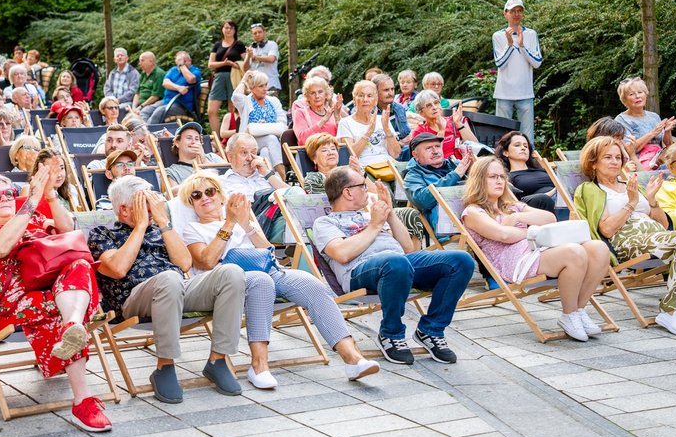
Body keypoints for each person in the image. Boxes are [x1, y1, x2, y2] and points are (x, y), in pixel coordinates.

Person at [180, 172, 379, 387]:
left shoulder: (241, 222)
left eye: (209, 191)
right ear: (191, 204)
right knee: (260, 281)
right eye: (197, 196)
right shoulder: (192, 229)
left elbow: (267, 252)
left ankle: (352, 357)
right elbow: (207, 261)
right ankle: (259, 365)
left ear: (220, 195)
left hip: (266, 269)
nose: (205, 198)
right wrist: (228, 223)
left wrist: (247, 225)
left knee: (311, 283)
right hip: (230, 282)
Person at [0, 171, 112, 431]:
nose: (4, 199)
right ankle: (82, 398)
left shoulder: (36, 220)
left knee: (80, 265)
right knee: (62, 307)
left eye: (9, 193)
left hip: (53, 292)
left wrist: (50, 194)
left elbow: (69, 231)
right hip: (9, 303)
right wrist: (29, 202)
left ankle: (72, 329)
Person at [88, 175, 246, 404]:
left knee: (231, 273)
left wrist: (163, 223)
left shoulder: (160, 230)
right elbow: (118, 269)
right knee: (169, 279)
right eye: (146, 205)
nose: (153, 210)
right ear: (124, 210)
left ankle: (217, 360)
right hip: (134, 298)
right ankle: (165, 366)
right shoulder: (103, 234)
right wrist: (141, 225)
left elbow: (184, 264)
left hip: (177, 289)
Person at [314, 166, 475, 364]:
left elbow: (407, 248)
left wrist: (389, 213)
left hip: (399, 264)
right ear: (347, 192)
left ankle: (431, 330)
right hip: (359, 271)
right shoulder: (324, 223)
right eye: (363, 186)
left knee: (461, 261)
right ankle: (391, 333)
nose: (367, 190)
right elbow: (342, 253)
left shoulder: (371, 215)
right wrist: (374, 225)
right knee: (395, 262)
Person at [575, 136, 676, 337]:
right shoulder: (590, 189)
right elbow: (607, 230)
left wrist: (652, 201)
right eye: (607, 157)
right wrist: (631, 203)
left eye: (618, 157)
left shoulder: (630, 183)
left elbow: (664, 224)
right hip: (628, 240)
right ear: (593, 162)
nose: (615, 162)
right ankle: (671, 310)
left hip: (657, 235)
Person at [462, 157, 610, 341]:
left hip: (538, 250)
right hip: (515, 263)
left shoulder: (512, 206)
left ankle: (578, 311)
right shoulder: (473, 212)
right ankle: (569, 314)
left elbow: (549, 218)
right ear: (478, 180)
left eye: (502, 176)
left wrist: (517, 219)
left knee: (599, 249)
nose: (500, 181)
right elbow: (503, 236)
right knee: (574, 252)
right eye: (492, 176)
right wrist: (531, 231)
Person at [221, 133, 289, 243]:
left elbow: (291, 193)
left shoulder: (267, 176)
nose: (249, 158)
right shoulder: (222, 182)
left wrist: (267, 173)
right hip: (252, 227)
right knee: (305, 227)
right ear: (230, 156)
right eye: (244, 153)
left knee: (306, 225)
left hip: (281, 218)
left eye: (253, 153)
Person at [492, 0, 542, 142]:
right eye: (513, 11)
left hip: (525, 92)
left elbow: (537, 62)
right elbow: (500, 63)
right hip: (503, 92)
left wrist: (521, 46)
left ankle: (528, 162)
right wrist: (509, 44)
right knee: (502, 136)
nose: (516, 14)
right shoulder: (498, 35)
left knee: (527, 137)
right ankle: (502, 163)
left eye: (519, 11)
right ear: (505, 13)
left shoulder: (531, 34)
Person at [404, 132, 475, 232]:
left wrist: (474, 165)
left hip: (474, 216)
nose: (435, 151)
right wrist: (454, 176)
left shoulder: (455, 165)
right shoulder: (413, 176)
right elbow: (422, 201)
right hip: (448, 226)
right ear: (415, 154)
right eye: (429, 148)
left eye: (437, 146)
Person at [231, 70, 287, 178]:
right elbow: (236, 97)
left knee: (266, 151)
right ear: (252, 88)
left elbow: (282, 123)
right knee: (270, 138)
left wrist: (261, 127)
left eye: (266, 85)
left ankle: (269, 179)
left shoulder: (273, 101)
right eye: (261, 86)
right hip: (250, 141)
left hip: (272, 142)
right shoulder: (246, 102)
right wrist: (244, 79)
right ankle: (283, 175)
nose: (265, 88)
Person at [615, 76, 676, 170]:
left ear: (645, 94)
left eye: (640, 92)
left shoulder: (654, 116)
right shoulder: (621, 120)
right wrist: (653, 133)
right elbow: (629, 150)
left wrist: (667, 131)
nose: (637, 96)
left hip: (660, 159)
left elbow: (667, 144)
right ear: (624, 100)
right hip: (637, 163)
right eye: (631, 94)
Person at [337, 80, 400, 167]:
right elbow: (351, 155)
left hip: (388, 165)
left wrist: (387, 130)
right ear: (354, 99)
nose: (365, 99)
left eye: (369, 96)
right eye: (361, 95)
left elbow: (396, 154)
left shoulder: (383, 119)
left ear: (376, 100)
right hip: (363, 168)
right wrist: (369, 132)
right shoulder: (345, 123)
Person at [495, 131, 556, 212]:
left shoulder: (541, 170)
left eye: (526, 146)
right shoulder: (507, 176)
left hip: (559, 199)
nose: (523, 148)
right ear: (505, 152)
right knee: (543, 199)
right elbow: (514, 200)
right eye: (517, 145)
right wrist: (553, 192)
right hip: (533, 205)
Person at [411, 90, 478, 161]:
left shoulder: (455, 120)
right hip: (439, 169)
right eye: (429, 106)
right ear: (421, 113)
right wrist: (441, 131)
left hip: (463, 165)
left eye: (436, 103)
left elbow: (475, 146)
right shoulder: (420, 132)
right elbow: (432, 157)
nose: (434, 107)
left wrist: (458, 124)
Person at [206, 21, 246, 135]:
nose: (228, 30)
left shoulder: (239, 45)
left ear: (235, 30)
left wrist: (237, 63)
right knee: (211, 110)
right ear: (222, 29)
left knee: (232, 109)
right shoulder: (217, 45)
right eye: (226, 27)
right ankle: (217, 139)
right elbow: (210, 64)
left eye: (231, 28)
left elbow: (246, 63)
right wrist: (224, 63)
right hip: (219, 76)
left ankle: (232, 137)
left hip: (234, 76)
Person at [164, 121, 225, 193]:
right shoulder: (172, 172)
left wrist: (204, 160)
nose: (193, 142)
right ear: (177, 143)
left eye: (197, 139)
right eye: (189, 138)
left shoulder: (212, 157)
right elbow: (172, 195)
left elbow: (229, 177)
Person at [150, 50, 201, 124]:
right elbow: (165, 83)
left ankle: (149, 133)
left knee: (159, 112)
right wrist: (178, 88)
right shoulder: (173, 70)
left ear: (190, 61)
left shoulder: (195, 71)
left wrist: (182, 65)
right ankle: (140, 131)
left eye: (184, 61)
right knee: (147, 110)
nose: (180, 64)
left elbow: (191, 79)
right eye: (179, 62)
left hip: (183, 107)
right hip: (167, 101)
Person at [373, 73, 414, 161]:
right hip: (381, 154)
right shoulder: (370, 112)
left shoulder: (399, 108)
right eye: (386, 90)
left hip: (403, 152)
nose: (391, 93)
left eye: (392, 89)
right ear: (375, 92)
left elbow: (406, 134)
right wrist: (401, 143)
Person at [292, 75, 342, 145]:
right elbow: (302, 140)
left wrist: (337, 117)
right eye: (313, 93)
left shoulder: (332, 111)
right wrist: (323, 120)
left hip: (335, 152)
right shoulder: (300, 113)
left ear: (326, 94)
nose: (317, 96)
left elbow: (344, 139)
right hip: (312, 154)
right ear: (307, 96)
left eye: (320, 92)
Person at [245, 23, 280, 94]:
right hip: (255, 87)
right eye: (255, 33)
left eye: (259, 32)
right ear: (252, 35)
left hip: (270, 85)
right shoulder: (251, 48)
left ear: (264, 32)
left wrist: (254, 57)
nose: (257, 34)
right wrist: (248, 56)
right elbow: (245, 69)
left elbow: (271, 59)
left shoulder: (272, 44)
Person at [132, 51, 165, 119]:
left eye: (142, 60)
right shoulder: (143, 74)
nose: (139, 63)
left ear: (151, 61)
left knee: (142, 113)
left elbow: (155, 97)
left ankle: (144, 129)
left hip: (152, 104)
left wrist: (140, 107)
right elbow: (137, 93)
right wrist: (133, 107)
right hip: (139, 104)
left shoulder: (159, 74)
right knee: (121, 108)